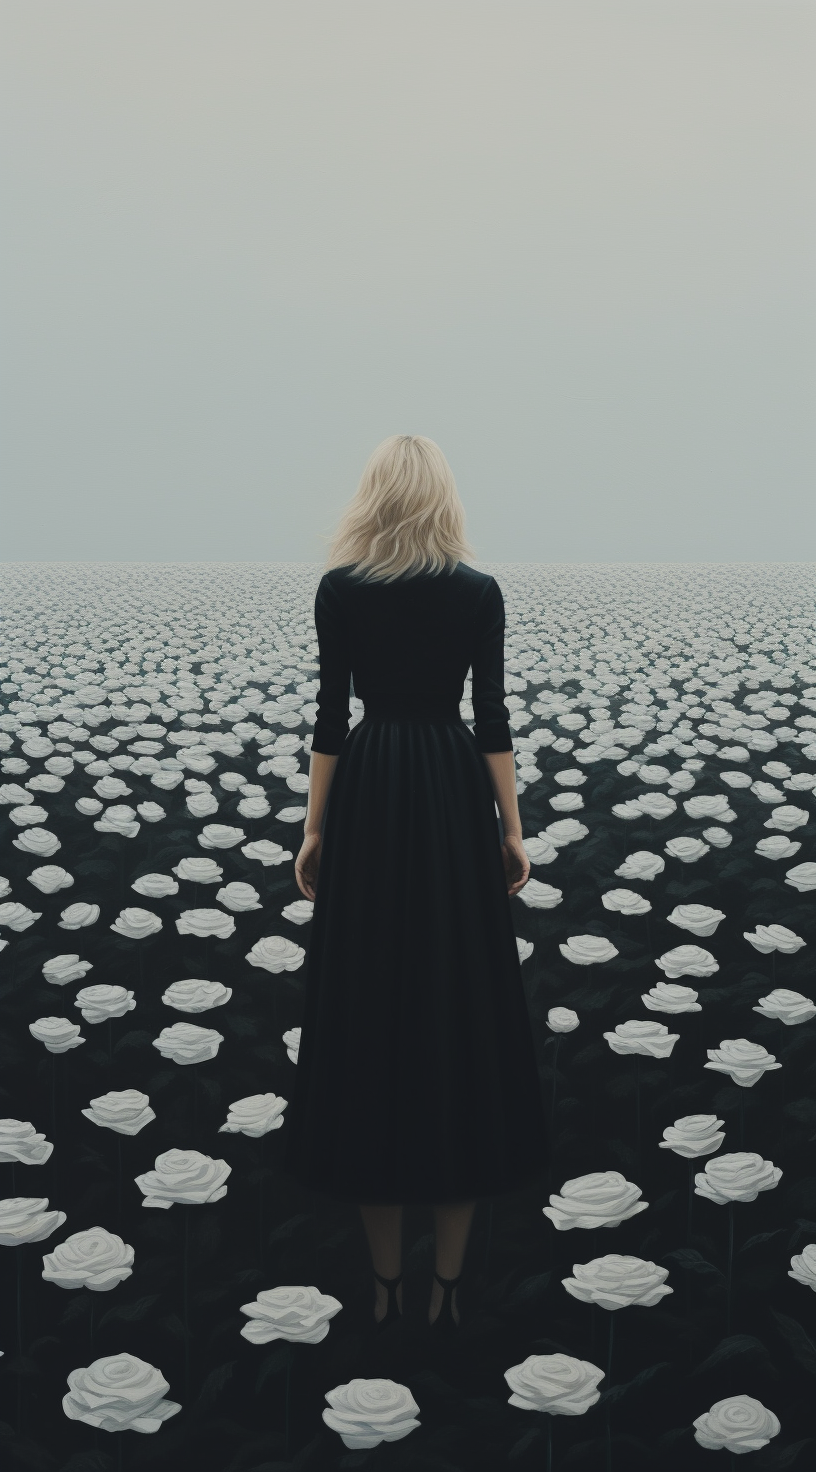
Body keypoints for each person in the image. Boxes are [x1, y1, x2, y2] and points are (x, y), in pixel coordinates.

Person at [282, 434, 549, 1333]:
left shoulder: (339, 591)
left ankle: (386, 1285)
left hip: (370, 786)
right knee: (457, 1006)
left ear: (372, 497)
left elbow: (329, 716)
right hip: (445, 786)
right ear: (443, 498)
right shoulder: (478, 592)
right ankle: (450, 1288)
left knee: (371, 1008)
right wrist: (511, 828)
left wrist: (316, 826)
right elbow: (493, 720)